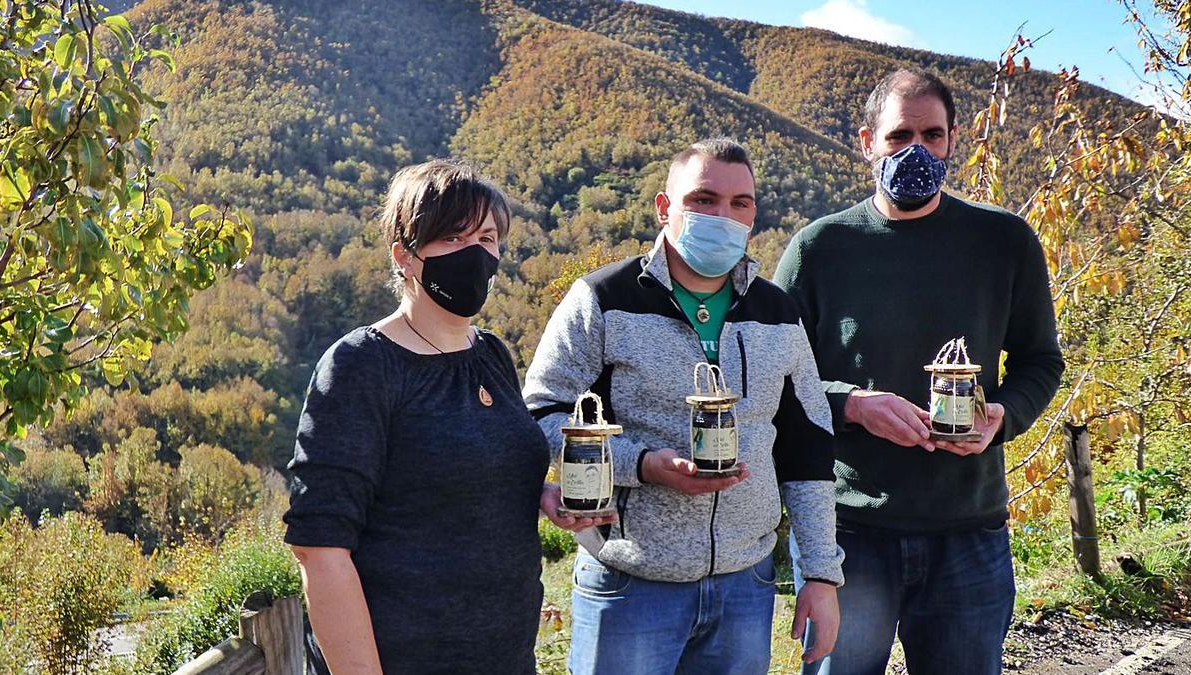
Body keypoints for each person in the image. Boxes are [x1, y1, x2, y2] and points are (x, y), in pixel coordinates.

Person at [774, 68, 1065, 675]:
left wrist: (1003, 416)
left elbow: (1040, 360)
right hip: (849, 531)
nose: (917, 149)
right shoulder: (819, 248)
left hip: (969, 529)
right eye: (898, 134)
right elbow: (775, 380)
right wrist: (852, 405)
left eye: (932, 135)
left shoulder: (1003, 241)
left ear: (953, 139)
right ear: (866, 142)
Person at [524, 138, 845, 674]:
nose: (723, 215)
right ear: (663, 206)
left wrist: (819, 574)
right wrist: (643, 465)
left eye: (739, 203)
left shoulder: (777, 312)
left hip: (747, 583)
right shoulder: (603, 300)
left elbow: (807, 447)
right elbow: (542, 414)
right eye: (703, 199)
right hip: (629, 582)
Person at [283, 159, 608, 674]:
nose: (476, 255)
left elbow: (463, 479)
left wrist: (543, 498)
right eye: (453, 239)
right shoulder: (360, 366)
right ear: (405, 257)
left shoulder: (491, 355)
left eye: (486, 237)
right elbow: (319, 549)